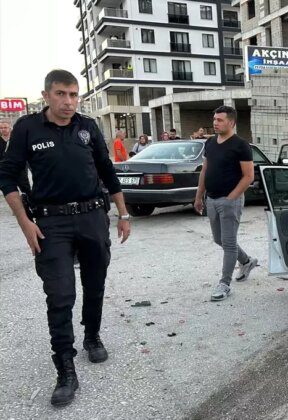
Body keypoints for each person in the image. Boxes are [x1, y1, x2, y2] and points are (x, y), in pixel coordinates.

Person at [0, 69, 131, 406]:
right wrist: (25, 223)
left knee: (95, 283)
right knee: (60, 295)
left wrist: (123, 213)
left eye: (74, 95)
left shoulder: (87, 127)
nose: (68, 101)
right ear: (46, 96)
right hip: (50, 223)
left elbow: (106, 169)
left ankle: (92, 336)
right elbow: (8, 177)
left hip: (92, 217)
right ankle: (66, 369)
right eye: (61, 94)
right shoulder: (27, 128)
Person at [194, 106, 257, 302]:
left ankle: (224, 284)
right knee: (219, 239)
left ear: (231, 122)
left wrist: (232, 198)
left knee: (228, 243)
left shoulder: (240, 145)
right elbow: (205, 170)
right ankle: (247, 261)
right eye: (214, 119)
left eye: (220, 120)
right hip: (211, 199)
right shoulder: (210, 142)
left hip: (230, 201)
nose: (215, 123)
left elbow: (248, 176)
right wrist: (198, 196)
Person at [0, 119, 32, 194]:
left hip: (18, 166)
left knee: (25, 186)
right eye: (1, 128)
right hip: (3, 167)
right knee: (8, 188)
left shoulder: (16, 138)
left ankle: (30, 201)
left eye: (5, 127)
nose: (3, 129)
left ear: (10, 128)